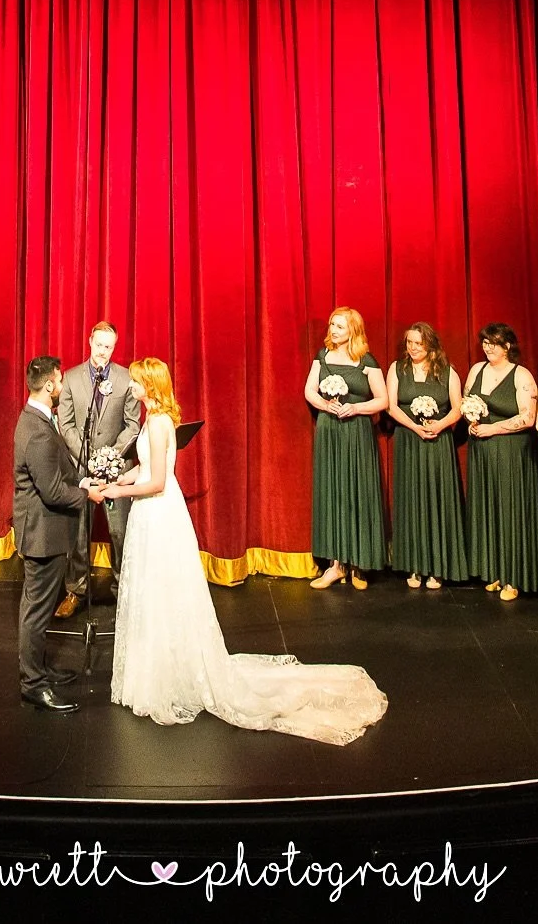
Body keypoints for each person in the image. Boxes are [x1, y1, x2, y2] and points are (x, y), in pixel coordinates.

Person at [98, 357, 386, 741]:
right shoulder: (154, 419)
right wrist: (114, 476)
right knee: (152, 595)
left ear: (149, 385)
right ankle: (157, 669)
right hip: (150, 517)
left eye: (135, 383)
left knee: (165, 592)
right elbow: (143, 469)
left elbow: (157, 484)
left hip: (159, 515)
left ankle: (170, 676)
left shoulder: (160, 422)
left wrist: (118, 491)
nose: (130, 388)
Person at [13, 355, 90, 713]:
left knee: (37, 609)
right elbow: (53, 492)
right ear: (48, 386)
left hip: (47, 531)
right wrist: (87, 493)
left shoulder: (38, 419)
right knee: (37, 612)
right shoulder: (38, 431)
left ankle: (39, 670)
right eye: (59, 382)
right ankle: (33, 684)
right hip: (43, 535)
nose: (62, 387)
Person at [54, 319, 141, 616]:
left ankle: (123, 592)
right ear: (90, 342)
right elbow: (65, 425)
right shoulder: (71, 378)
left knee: (120, 533)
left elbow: (132, 425)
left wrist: (109, 457)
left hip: (115, 471)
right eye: (99, 345)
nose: (103, 352)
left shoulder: (127, 378)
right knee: (78, 533)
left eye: (109, 347)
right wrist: (88, 457)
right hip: (81, 469)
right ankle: (75, 590)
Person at [304, 307, 387, 590]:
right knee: (334, 492)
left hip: (357, 432)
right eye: (331, 325)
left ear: (353, 330)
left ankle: (359, 565)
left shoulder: (366, 360)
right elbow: (309, 391)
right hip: (329, 431)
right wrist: (326, 405)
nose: (333, 330)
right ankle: (335, 565)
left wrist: (356, 408)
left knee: (357, 493)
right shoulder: (322, 356)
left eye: (339, 326)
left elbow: (383, 400)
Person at [387, 322, 467, 590]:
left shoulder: (447, 372)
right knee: (412, 501)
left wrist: (439, 425)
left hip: (438, 443)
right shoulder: (397, 369)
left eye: (418, 343)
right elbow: (391, 406)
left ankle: (437, 567)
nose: (412, 348)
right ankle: (414, 565)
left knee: (437, 501)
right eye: (409, 342)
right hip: (409, 441)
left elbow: (458, 408)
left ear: (431, 344)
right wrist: (415, 427)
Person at [464, 322, 538, 602]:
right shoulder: (477, 371)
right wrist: (472, 421)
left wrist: (493, 428)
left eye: (493, 343)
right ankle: (494, 569)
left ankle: (514, 576)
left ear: (508, 346)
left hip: (510, 450)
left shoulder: (521, 375)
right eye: (484, 342)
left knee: (510, 510)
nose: (487, 347)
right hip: (482, 449)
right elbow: (468, 401)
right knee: (489, 508)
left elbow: (527, 418)